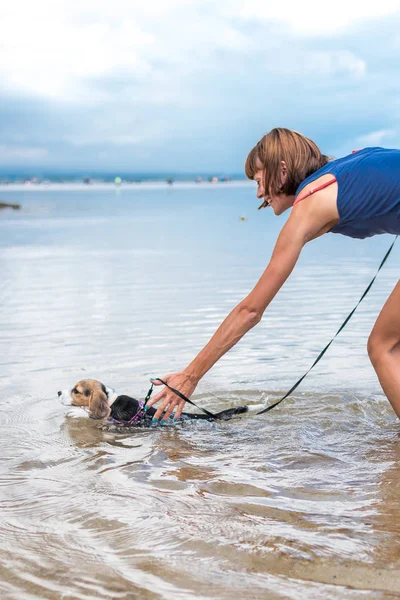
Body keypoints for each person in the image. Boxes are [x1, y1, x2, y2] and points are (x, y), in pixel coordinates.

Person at [146, 128, 400, 421]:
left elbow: (251, 311)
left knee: (384, 347)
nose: (257, 193)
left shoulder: (311, 202)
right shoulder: (341, 172)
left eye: (258, 180)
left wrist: (190, 376)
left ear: (281, 171)